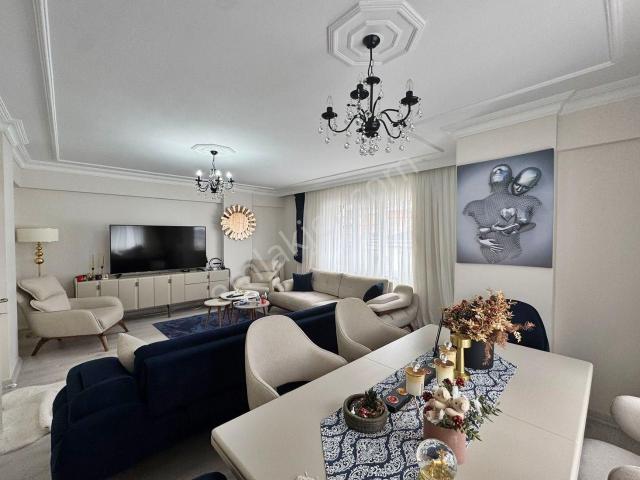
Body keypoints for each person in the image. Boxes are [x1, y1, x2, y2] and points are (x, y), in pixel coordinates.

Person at [463, 164, 541, 264]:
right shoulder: (473, 205)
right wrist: (480, 240)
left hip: (512, 255)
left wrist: (515, 230)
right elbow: (476, 231)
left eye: (503, 170)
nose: (499, 171)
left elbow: (531, 224)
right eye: (495, 170)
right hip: (487, 258)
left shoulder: (524, 202)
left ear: (511, 179)